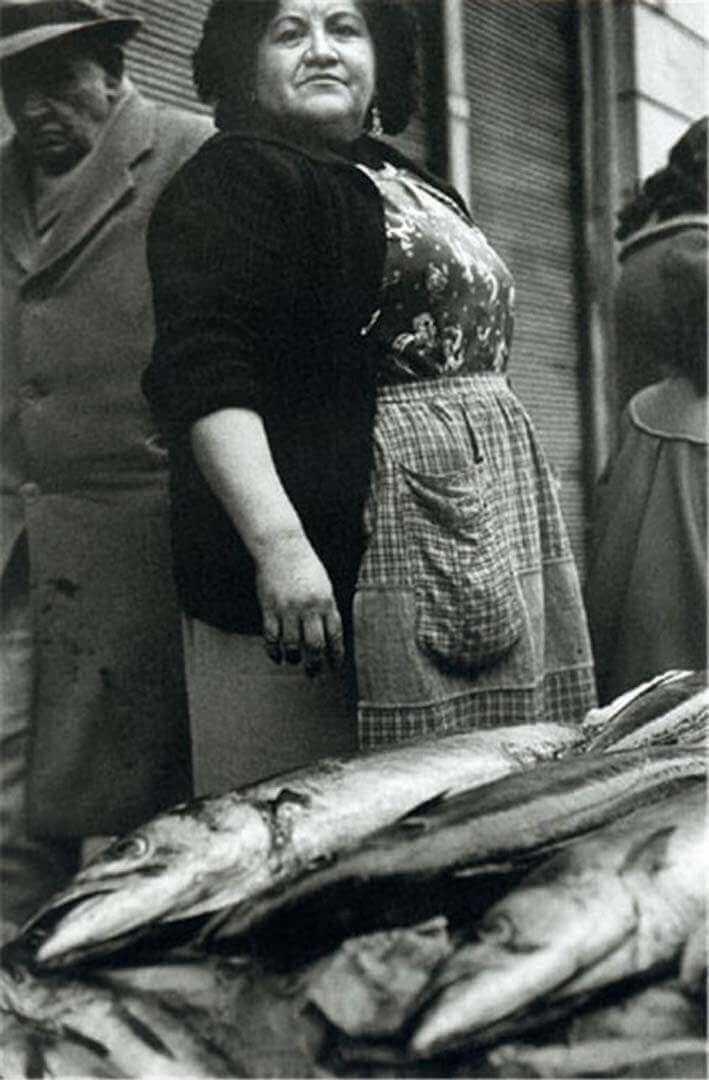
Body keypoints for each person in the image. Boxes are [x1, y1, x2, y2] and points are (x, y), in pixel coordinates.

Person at [143, 0, 596, 796]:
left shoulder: (405, 175)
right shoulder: (233, 179)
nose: (321, 50)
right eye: (289, 31)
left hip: (469, 530)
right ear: (243, 61)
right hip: (337, 548)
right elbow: (204, 372)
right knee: (327, 816)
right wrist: (280, 548)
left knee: (482, 793)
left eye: (344, 28)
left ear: (381, 54)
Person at [0, 0, 213, 927]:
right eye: (14, 89)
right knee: (11, 790)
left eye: (58, 80)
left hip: (146, 541)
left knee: (149, 814)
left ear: (113, 69)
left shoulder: (193, 157)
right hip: (19, 540)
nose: (35, 108)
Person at [585, 117, 707, 705]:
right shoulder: (697, 251)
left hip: (643, 461)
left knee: (646, 655)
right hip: (699, 464)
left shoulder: (642, 253)